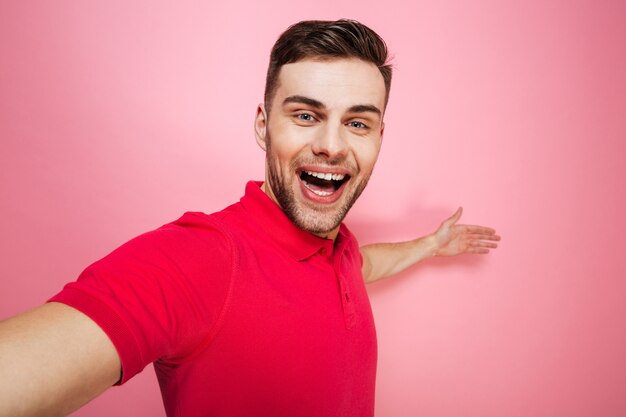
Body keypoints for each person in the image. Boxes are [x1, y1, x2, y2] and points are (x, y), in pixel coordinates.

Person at [0, 19, 500, 417]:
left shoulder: (338, 247)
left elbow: (363, 265)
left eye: (357, 123)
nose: (331, 144)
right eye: (305, 115)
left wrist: (430, 245)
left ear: (378, 138)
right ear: (263, 125)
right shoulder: (203, 257)